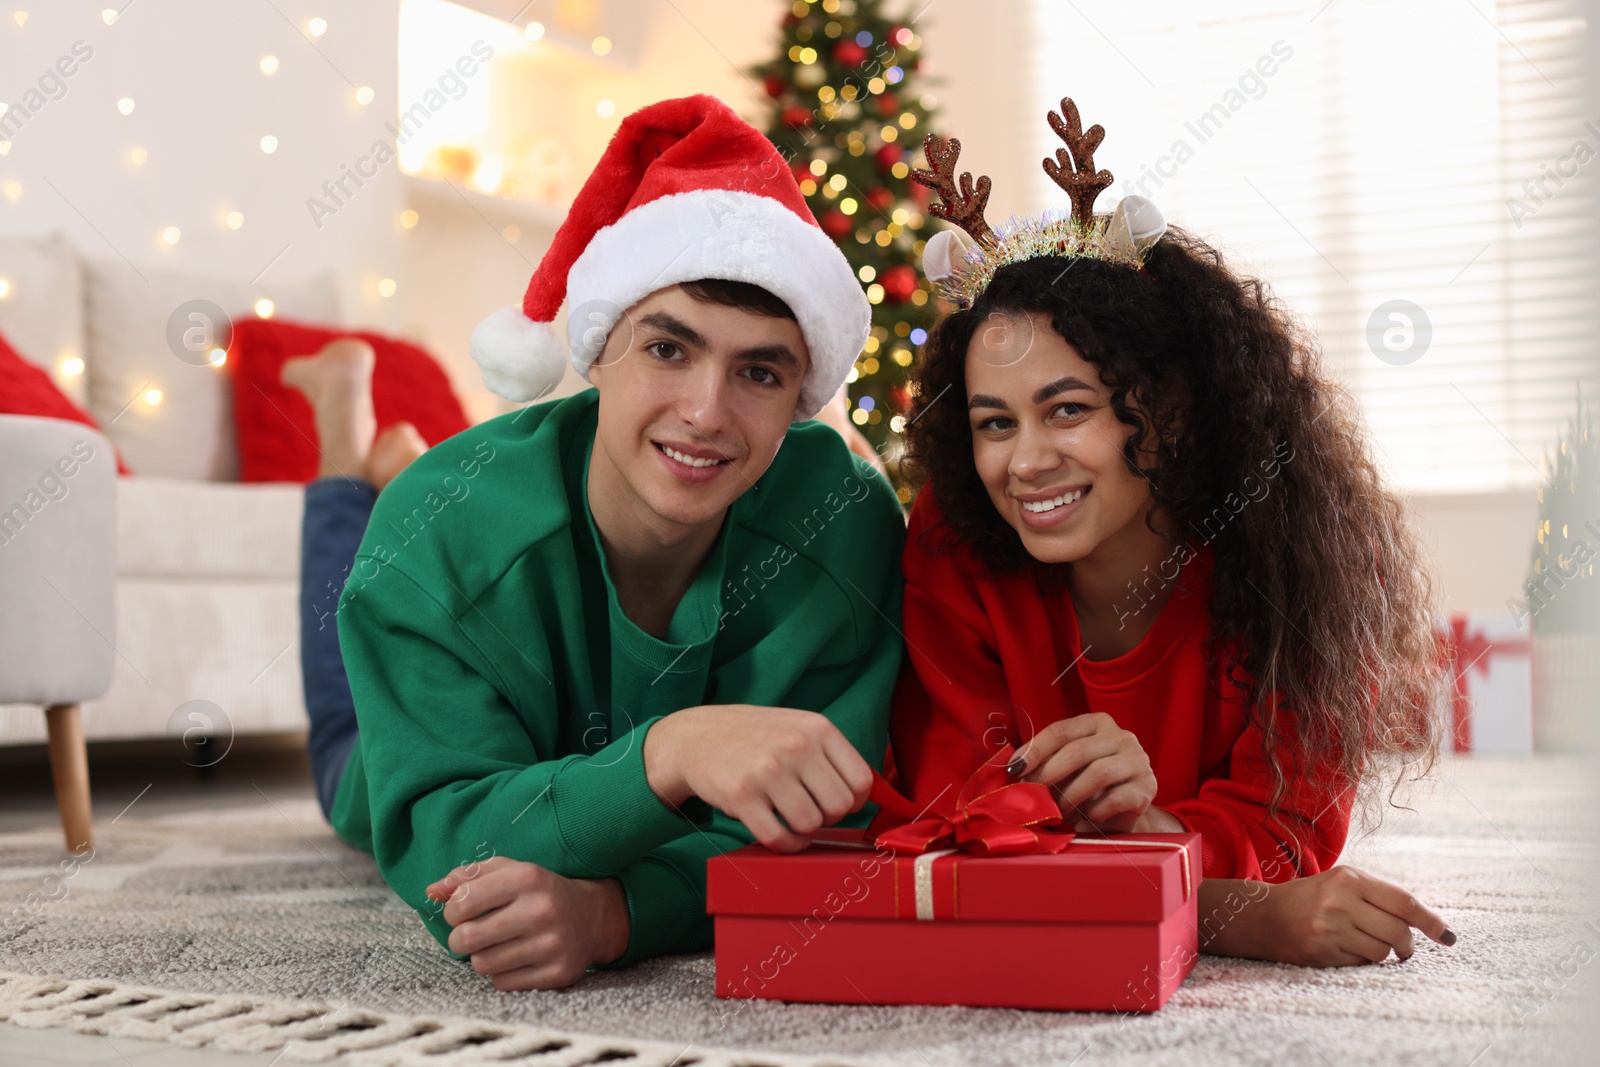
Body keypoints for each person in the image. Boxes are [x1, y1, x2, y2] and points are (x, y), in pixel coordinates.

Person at [286, 95, 905, 991]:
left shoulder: (842, 526)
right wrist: (672, 750)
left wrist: (615, 912)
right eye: (667, 349)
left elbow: (829, 831)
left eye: (760, 372)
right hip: (416, 652)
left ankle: (369, 454)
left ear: (801, 395)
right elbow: (447, 842)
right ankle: (344, 458)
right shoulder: (442, 532)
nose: (705, 412)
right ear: (596, 349)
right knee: (344, 752)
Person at [888, 101, 1456, 969]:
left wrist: (1144, 826)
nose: (1026, 461)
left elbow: (1289, 828)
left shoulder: (1303, 548)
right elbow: (948, 829)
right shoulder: (951, 539)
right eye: (994, 423)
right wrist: (1241, 915)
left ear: (1170, 407)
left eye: (1068, 409)